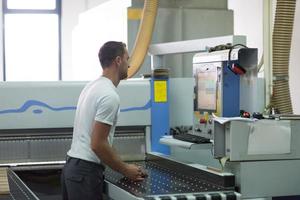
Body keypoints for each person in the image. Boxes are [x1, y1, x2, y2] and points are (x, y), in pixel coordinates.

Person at [61, 41, 146, 200]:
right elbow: (97, 144)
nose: (129, 65)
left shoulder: (91, 86)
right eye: (127, 59)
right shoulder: (109, 95)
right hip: (85, 173)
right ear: (118, 60)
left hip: (72, 168)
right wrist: (125, 169)